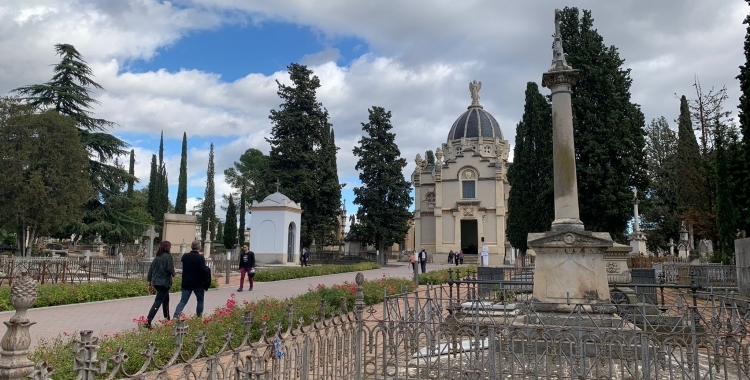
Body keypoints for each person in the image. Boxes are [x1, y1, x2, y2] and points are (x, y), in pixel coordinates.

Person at [172, 240, 208, 319]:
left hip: (186, 282)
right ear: (199, 247)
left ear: (191, 247)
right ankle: (198, 318)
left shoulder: (185, 256)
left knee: (183, 301)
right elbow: (204, 270)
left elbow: (184, 261)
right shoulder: (200, 258)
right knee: (200, 301)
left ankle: (175, 316)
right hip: (198, 284)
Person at [145, 241, 175, 328]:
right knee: (158, 301)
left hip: (156, 282)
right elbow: (170, 268)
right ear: (167, 247)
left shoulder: (157, 257)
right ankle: (148, 320)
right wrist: (173, 274)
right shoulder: (168, 256)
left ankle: (167, 319)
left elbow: (150, 271)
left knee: (165, 300)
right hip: (164, 282)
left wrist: (149, 283)